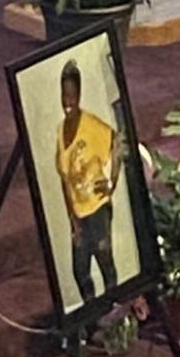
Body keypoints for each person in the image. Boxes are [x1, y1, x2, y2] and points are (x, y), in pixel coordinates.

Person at [53, 59, 120, 305]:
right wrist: (71, 217)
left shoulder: (91, 125)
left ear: (79, 94)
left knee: (104, 256)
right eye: (64, 95)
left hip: (98, 207)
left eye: (72, 95)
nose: (67, 102)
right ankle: (94, 319)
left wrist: (112, 182)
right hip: (78, 213)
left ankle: (115, 310)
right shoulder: (60, 131)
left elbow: (117, 143)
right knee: (80, 269)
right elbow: (64, 179)